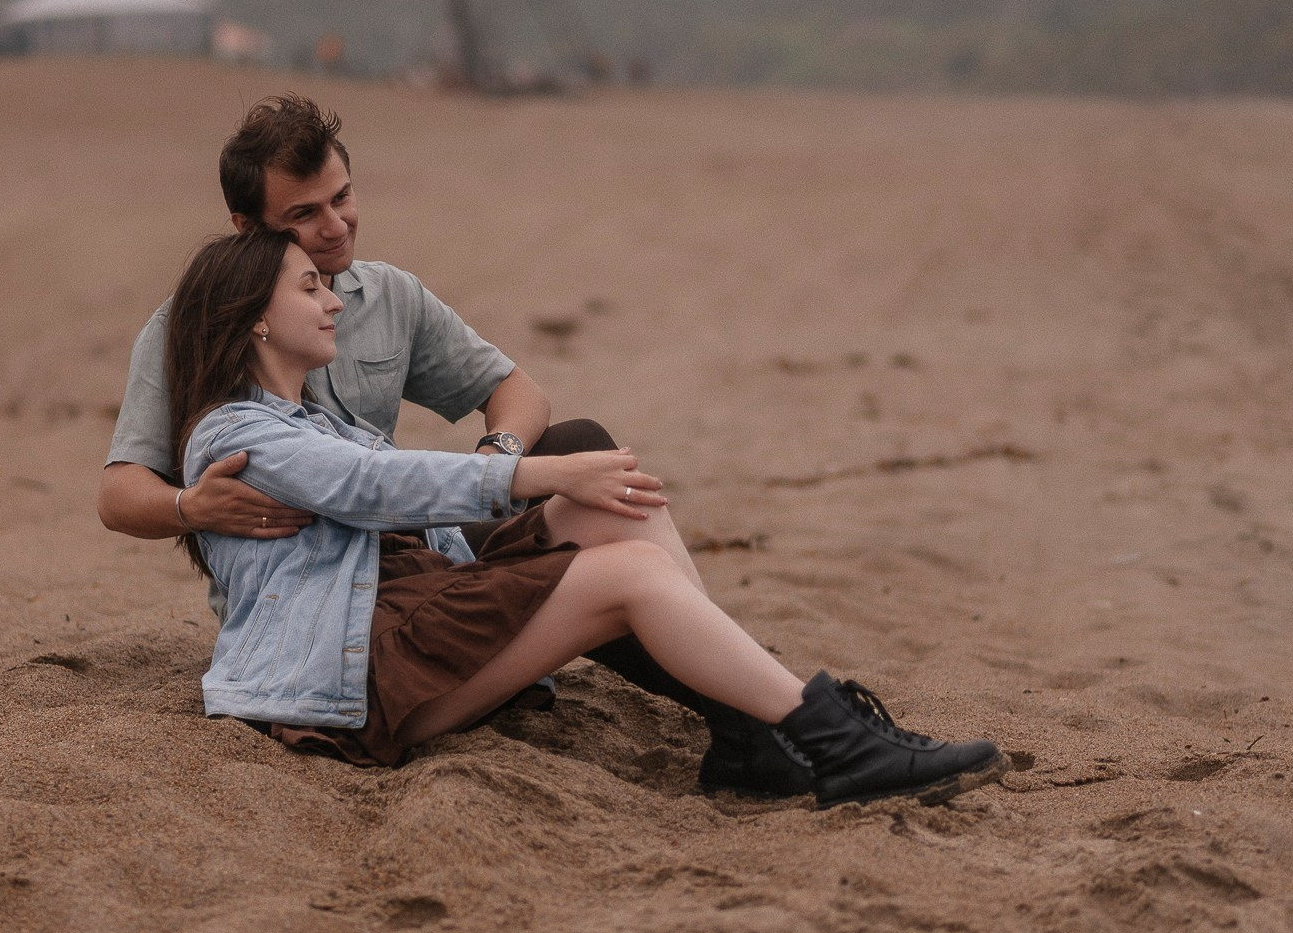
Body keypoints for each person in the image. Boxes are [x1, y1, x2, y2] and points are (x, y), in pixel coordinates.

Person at [98, 94, 813, 796]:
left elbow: (520, 392)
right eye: (303, 214)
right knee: (590, 525)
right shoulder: (194, 323)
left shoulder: (388, 296)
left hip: (410, 542)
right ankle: (762, 711)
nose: (336, 224)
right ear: (245, 227)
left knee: (582, 449)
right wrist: (193, 506)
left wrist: (497, 460)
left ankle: (744, 716)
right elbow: (119, 493)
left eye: (342, 196)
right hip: (314, 595)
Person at [164, 227, 1010, 809]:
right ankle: (833, 741)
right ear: (256, 318)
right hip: (356, 686)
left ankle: (753, 730)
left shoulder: (313, 417)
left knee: (619, 507)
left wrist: (554, 510)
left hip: (403, 627)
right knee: (629, 568)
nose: (334, 301)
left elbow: (405, 508)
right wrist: (539, 470)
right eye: (309, 287)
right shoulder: (234, 431)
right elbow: (369, 484)